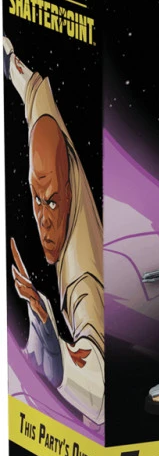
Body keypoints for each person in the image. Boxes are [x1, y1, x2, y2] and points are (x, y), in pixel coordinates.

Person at [5, 37, 105, 427]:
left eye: (51, 203)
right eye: (35, 199)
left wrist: (53, 348)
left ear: (69, 194)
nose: (43, 221)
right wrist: (10, 63)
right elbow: (39, 104)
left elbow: (99, 388)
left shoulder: (83, 274)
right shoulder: (57, 152)